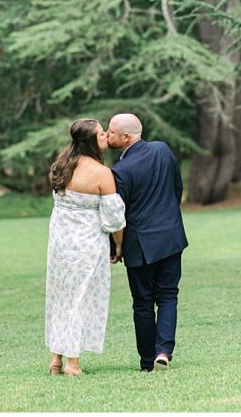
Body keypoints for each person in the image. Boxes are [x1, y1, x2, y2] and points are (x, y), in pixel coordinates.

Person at [107, 113, 189, 372]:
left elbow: (116, 214)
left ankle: (146, 362)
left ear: (126, 137)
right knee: (168, 295)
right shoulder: (163, 150)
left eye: (111, 132)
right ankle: (163, 351)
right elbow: (178, 188)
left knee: (142, 302)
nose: (108, 136)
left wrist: (115, 248)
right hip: (171, 237)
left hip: (138, 245)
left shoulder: (119, 171)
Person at [44, 118, 126, 376]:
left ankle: (56, 360)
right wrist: (119, 246)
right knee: (79, 299)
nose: (106, 137)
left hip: (59, 244)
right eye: (102, 134)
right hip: (86, 245)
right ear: (91, 140)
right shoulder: (101, 173)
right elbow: (113, 218)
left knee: (61, 297)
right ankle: (73, 364)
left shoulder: (61, 165)